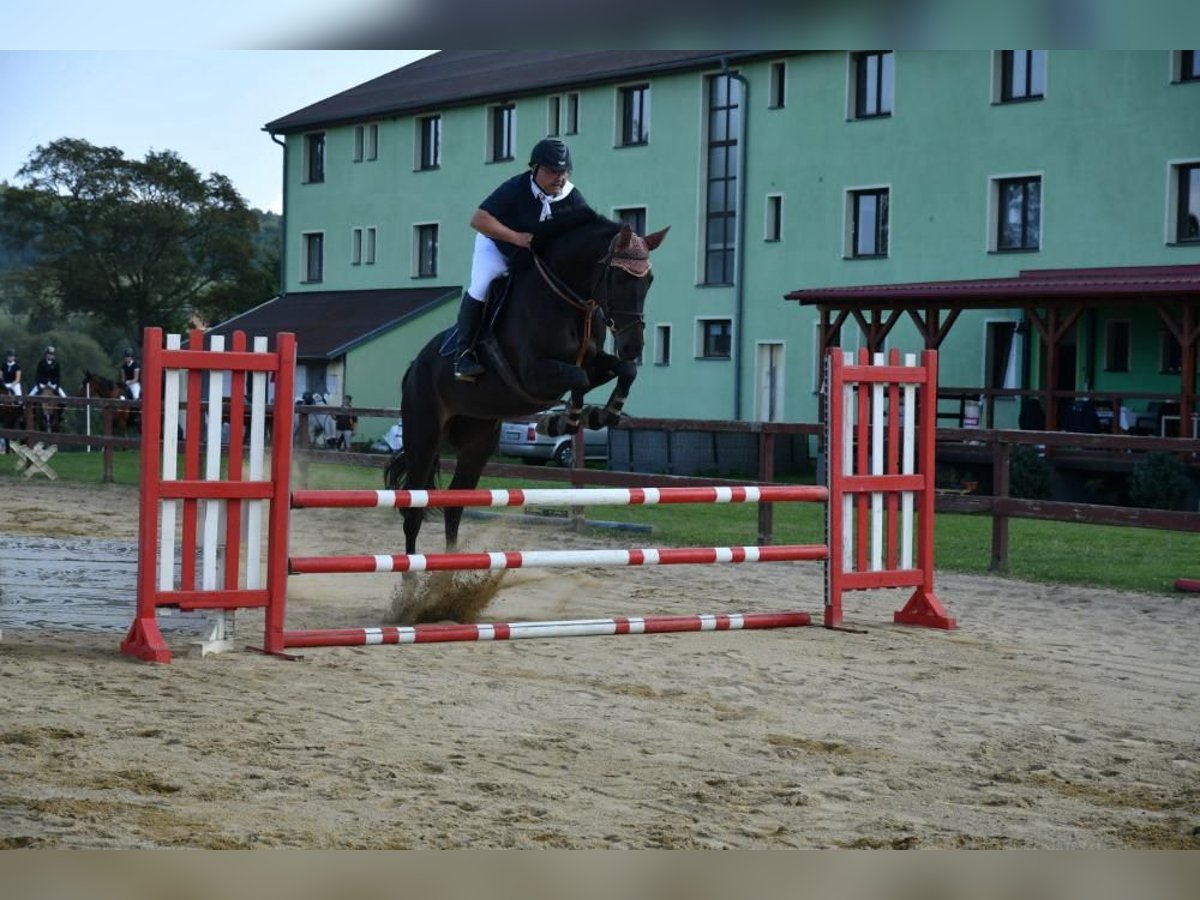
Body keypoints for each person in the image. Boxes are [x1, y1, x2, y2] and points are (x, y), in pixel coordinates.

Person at [452, 137, 592, 381]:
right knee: (483, 282)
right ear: (534, 168)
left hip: (535, 256)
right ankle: (464, 354)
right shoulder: (515, 188)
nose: (559, 177)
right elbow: (478, 220)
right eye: (552, 171)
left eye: (564, 171)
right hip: (498, 245)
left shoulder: (572, 198)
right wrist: (515, 238)